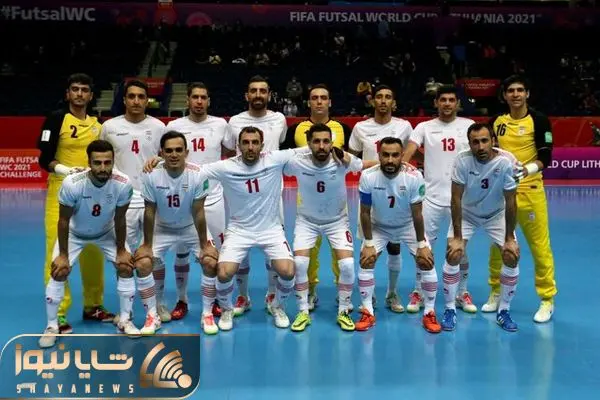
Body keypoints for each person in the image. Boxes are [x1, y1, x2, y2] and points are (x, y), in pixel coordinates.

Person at [39, 140, 158, 348]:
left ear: (113, 161)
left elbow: (120, 219)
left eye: (107, 162)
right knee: (59, 270)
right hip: (75, 234)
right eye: (97, 163)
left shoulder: (123, 183)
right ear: (89, 163)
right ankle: (51, 326)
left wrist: (121, 250)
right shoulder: (72, 184)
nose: (103, 168)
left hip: (106, 232)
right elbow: (64, 220)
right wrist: (63, 255)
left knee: (125, 266)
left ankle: (125, 320)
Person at [204, 127, 307, 331]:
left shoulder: (274, 159)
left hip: (271, 230)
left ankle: (277, 306)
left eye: (255, 142)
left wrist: (340, 154)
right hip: (239, 231)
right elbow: (194, 170)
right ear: (238, 145)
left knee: (288, 271)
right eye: (245, 142)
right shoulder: (226, 166)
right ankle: (226, 309)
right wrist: (160, 162)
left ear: (262, 145)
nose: (250, 147)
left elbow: (308, 149)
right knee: (223, 273)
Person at [37, 73, 114, 335]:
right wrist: (66, 171)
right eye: (75, 89)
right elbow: (43, 158)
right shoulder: (56, 118)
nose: (79, 94)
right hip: (61, 192)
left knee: (93, 251)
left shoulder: (97, 125)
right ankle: (58, 312)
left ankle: (93, 306)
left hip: (91, 196)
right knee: (58, 251)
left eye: (84, 90)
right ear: (68, 93)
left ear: (91, 96)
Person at [283, 123, 373, 332]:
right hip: (306, 221)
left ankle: (343, 311)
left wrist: (402, 163)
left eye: (326, 141)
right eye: (316, 141)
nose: (321, 146)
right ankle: (303, 312)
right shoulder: (297, 162)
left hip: (337, 221)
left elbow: (366, 165)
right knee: (300, 263)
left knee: (347, 265)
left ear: (332, 143)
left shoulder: (343, 160)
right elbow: (272, 165)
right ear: (308, 143)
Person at [161, 82, 235, 321]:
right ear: (188, 100)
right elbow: (165, 154)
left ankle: (216, 299)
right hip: (183, 200)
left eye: (204, 97)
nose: (199, 101)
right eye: (195, 97)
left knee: (215, 252)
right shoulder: (174, 126)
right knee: (181, 252)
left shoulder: (221, 124)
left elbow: (231, 152)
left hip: (213, 199)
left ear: (209, 101)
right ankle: (182, 299)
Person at [485, 75, 556, 323]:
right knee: (498, 246)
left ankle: (547, 299)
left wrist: (526, 170)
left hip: (530, 190)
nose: (515, 94)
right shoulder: (496, 122)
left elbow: (546, 157)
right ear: (504, 95)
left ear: (527, 94)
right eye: (511, 91)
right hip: (501, 195)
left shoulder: (539, 120)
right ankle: (496, 291)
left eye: (520, 90)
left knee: (539, 247)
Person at [402, 85, 477, 314]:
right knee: (423, 247)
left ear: (457, 103)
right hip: (431, 199)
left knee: (459, 248)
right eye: (442, 99)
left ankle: (462, 292)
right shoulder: (424, 127)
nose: (447, 104)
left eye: (451, 100)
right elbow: (409, 152)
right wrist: (404, 168)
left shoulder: (469, 126)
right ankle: (419, 291)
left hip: (461, 200)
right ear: (436, 103)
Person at [137, 131, 218, 335]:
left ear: (186, 152)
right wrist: (146, 245)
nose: (174, 154)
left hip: (190, 227)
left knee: (210, 261)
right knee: (144, 263)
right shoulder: (151, 175)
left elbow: (198, 212)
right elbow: (149, 211)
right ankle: (153, 314)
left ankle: (207, 314)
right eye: (169, 150)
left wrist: (204, 245)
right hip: (162, 228)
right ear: (161, 153)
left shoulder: (198, 174)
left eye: (178, 150)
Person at [357, 137, 440, 333]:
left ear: (402, 156)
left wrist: (421, 245)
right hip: (379, 226)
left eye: (395, 155)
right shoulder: (368, 176)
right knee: (366, 260)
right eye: (385, 155)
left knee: (427, 261)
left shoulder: (414, 176)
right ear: (379, 155)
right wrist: (368, 243)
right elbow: (365, 212)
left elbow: (417, 214)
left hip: (407, 225)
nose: (390, 160)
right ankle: (368, 311)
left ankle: (429, 312)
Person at [282, 84, 353, 312]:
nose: (319, 101)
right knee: (308, 255)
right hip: (307, 207)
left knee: (339, 254)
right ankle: (310, 291)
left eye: (324, 97)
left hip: (337, 207)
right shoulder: (296, 129)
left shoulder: (342, 128)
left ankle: (342, 291)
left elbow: (350, 160)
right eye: (315, 98)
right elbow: (284, 161)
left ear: (330, 102)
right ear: (309, 102)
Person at [445, 123, 520, 332]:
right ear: (469, 144)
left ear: (493, 141)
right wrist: (457, 237)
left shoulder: (506, 161)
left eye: (485, 141)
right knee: (453, 253)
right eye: (475, 142)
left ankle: (504, 311)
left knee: (511, 255)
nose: (480, 146)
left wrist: (509, 238)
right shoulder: (462, 160)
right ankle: (450, 309)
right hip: (467, 213)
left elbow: (511, 201)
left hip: (496, 214)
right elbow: (455, 199)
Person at [349, 84, 413, 313]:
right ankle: (369, 296)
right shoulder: (360, 128)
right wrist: (373, 166)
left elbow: (407, 155)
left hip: (397, 195)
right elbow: (352, 159)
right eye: (379, 97)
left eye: (388, 97)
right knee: (369, 249)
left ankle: (392, 293)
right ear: (372, 101)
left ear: (394, 102)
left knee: (395, 247)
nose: (383, 101)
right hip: (370, 193)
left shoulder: (404, 126)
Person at [227, 76, 288, 316]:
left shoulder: (279, 119)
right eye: (253, 91)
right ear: (247, 95)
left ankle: (271, 293)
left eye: (263, 91)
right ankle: (243, 296)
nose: (258, 95)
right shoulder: (235, 122)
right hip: (240, 195)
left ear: (269, 95)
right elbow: (230, 152)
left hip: (272, 195)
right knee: (239, 246)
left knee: (272, 246)